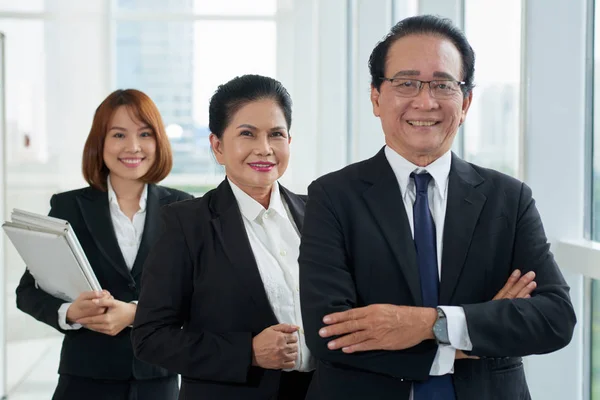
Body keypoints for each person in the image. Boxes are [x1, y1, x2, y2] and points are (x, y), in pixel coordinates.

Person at [299, 15, 576, 400]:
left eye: (443, 84)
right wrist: (472, 334)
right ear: (376, 98)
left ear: (465, 102)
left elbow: (554, 319)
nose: (425, 101)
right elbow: (328, 333)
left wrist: (432, 323)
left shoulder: (508, 199)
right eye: (407, 83)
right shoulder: (332, 196)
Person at [132, 74, 314, 400]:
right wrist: (248, 352)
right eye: (247, 134)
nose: (264, 148)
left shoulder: (319, 213)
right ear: (217, 146)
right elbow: (151, 337)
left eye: (276, 134)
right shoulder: (186, 223)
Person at [15, 89, 193, 400]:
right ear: (101, 143)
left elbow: (197, 297)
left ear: (158, 141)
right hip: (84, 379)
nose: (133, 147)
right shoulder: (69, 207)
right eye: (119, 135)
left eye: (144, 134)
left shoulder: (183, 208)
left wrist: (135, 313)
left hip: (157, 380)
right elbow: (27, 293)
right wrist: (71, 312)